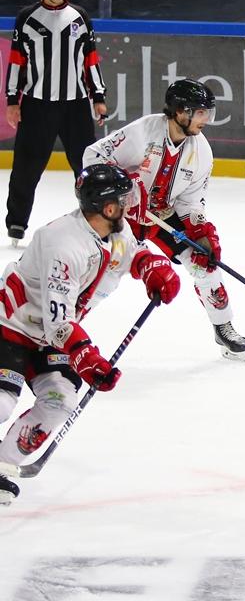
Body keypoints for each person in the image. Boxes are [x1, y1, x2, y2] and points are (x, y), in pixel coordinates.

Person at [0, 164, 180, 504]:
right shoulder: (63, 244)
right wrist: (85, 355)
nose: (129, 204)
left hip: (48, 337)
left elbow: (130, 252)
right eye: (122, 199)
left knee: (60, 402)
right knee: (2, 403)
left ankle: (2, 463)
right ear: (108, 208)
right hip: (10, 326)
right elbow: (58, 323)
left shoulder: (114, 230)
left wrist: (150, 267)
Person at [81, 78, 245, 361]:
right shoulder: (143, 131)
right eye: (200, 112)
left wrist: (201, 232)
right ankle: (63, 328)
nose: (206, 120)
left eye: (208, 113)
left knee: (204, 266)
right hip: (123, 219)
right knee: (107, 274)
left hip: (162, 216)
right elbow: (93, 157)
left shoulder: (201, 151)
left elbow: (191, 202)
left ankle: (223, 326)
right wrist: (125, 186)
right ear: (181, 111)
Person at [5, 0, 108, 247]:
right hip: (37, 105)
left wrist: (98, 97)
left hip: (76, 106)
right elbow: (17, 61)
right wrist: (12, 100)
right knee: (26, 167)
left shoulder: (80, 16)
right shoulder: (27, 17)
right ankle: (17, 222)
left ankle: (95, 219)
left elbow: (90, 59)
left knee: (86, 167)